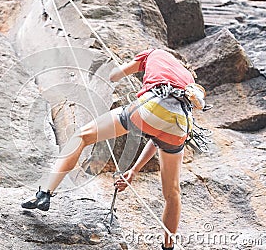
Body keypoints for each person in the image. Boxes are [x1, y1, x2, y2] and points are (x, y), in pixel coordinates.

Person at [21, 49, 206, 250]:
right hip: (180, 125)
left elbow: (114, 76)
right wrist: (134, 170)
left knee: (82, 136)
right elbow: (157, 138)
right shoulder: (186, 77)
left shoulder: (152, 53)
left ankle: (45, 193)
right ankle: (168, 246)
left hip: (151, 108)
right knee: (172, 193)